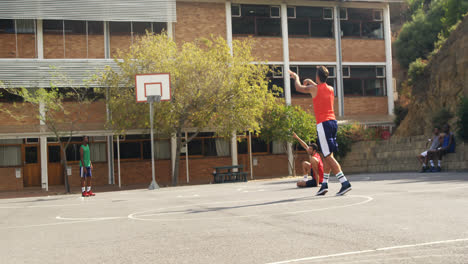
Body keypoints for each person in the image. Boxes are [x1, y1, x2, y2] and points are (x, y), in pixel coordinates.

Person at [289, 66, 352, 196]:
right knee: (328, 155)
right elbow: (319, 89)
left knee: (327, 156)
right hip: (333, 123)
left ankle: (344, 182)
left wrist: (296, 77)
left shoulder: (314, 89)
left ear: (317, 77)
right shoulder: (330, 89)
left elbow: (298, 88)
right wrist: (311, 82)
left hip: (323, 124)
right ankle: (324, 185)